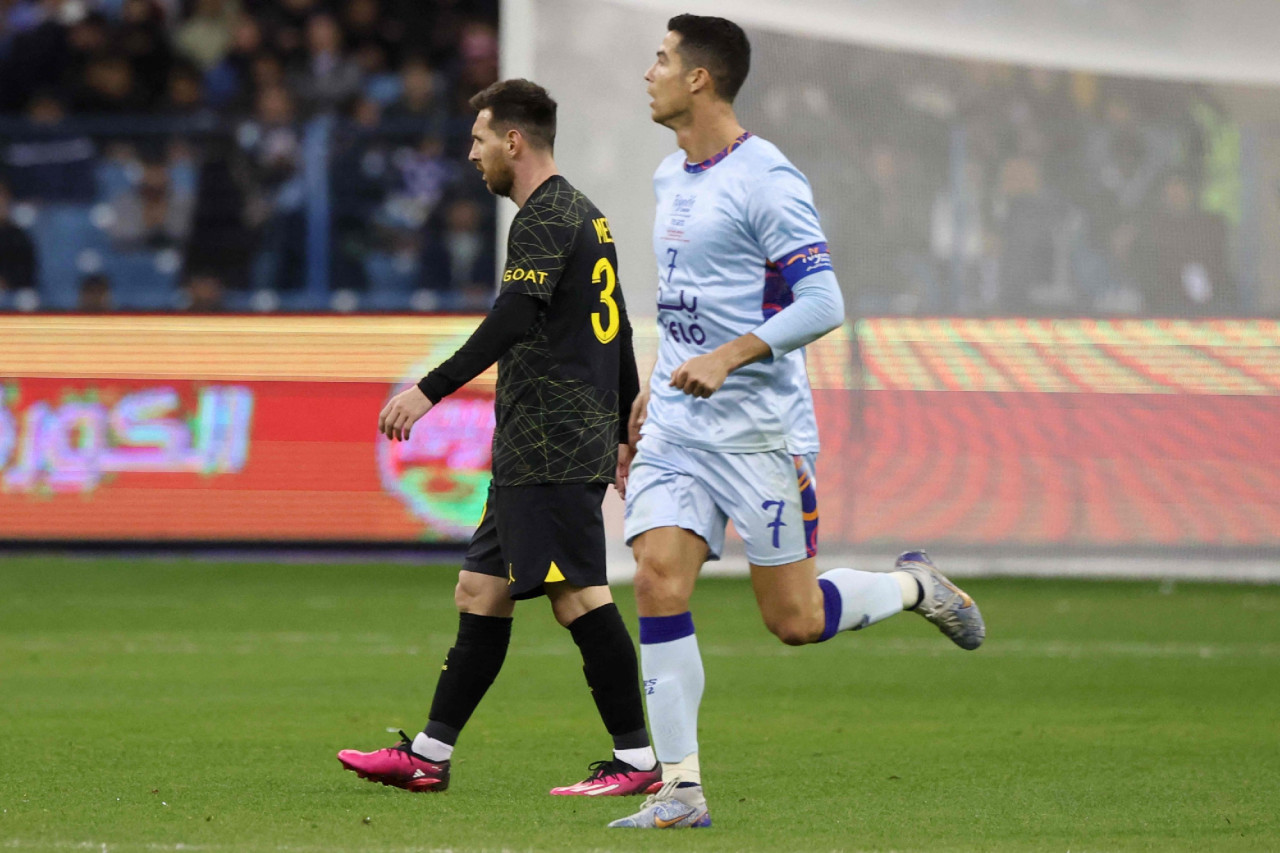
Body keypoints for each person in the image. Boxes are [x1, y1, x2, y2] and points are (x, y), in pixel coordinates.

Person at [608, 16, 986, 830]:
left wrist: (732, 356)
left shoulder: (768, 178)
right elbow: (684, 303)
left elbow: (824, 302)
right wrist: (650, 387)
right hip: (679, 422)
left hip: (759, 435)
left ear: (701, 78)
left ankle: (915, 585)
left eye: (663, 60)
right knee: (654, 578)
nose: (650, 73)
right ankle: (681, 790)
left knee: (795, 619)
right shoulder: (670, 178)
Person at [337, 78, 661, 799]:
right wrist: (616, 429)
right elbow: (617, 326)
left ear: (513, 141)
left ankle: (638, 759)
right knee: (480, 589)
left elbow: (514, 316)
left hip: (548, 441)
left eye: (479, 138)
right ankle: (427, 754)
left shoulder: (544, 217)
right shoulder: (587, 215)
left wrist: (429, 388)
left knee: (579, 595)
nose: (471, 153)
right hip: (542, 442)